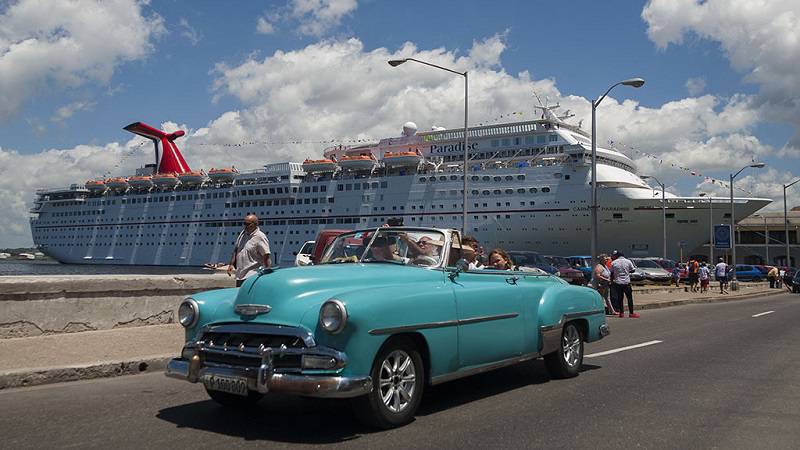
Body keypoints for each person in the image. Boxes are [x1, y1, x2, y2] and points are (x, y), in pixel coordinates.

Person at [228, 214, 271, 287]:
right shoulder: (242, 234)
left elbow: (266, 254)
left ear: (255, 224)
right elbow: (236, 249)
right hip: (240, 275)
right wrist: (231, 264)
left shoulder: (260, 236)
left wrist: (266, 270)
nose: (245, 226)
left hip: (252, 275)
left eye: (247, 224)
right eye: (244, 223)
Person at [610, 250, 639, 318]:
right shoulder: (628, 261)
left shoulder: (613, 262)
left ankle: (621, 313)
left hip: (618, 282)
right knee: (629, 298)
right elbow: (633, 270)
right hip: (626, 282)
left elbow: (611, 272)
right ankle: (631, 313)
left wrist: (611, 281)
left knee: (620, 298)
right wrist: (627, 271)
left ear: (617, 256)